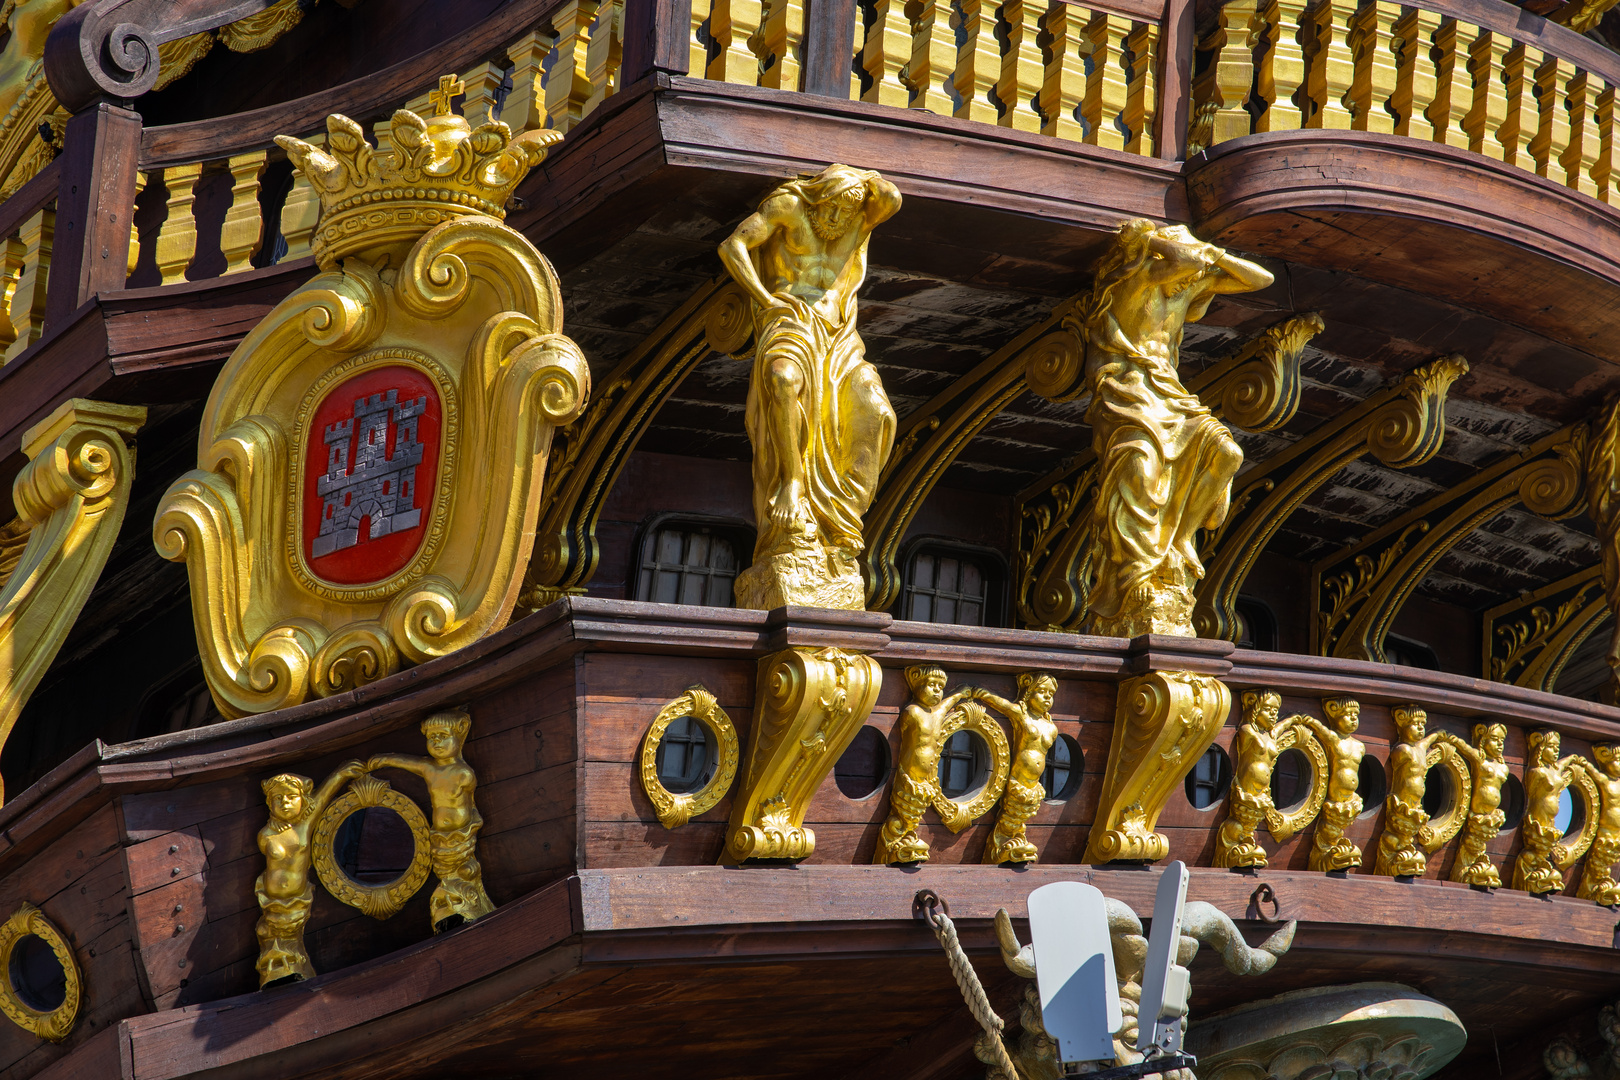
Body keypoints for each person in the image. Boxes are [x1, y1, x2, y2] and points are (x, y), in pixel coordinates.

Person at [717, 163, 901, 610]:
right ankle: (793, 484)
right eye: (835, 206)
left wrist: (862, 182)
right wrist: (764, 299)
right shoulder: (788, 206)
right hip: (789, 320)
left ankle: (841, 525)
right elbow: (733, 245)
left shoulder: (861, 216)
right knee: (783, 380)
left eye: (850, 209)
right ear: (821, 196)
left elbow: (891, 198)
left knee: (876, 413)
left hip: (838, 337)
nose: (838, 219)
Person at [1079, 220, 1273, 637]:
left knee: (1228, 454)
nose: (1196, 267)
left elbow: (1263, 279)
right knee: (1138, 471)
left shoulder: (1187, 285)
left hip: (1170, 395)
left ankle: (1180, 540)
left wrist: (1215, 255)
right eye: (1186, 253)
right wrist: (1158, 240)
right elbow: (1182, 260)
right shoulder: (1139, 278)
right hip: (1128, 390)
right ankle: (1133, 579)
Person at [367, 709, 495, 931]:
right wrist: (387, 759)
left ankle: (462, 901)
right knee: (446, 871)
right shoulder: (429, 768)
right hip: (439, 836)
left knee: (462, 869)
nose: (436, 742)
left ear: (459, 737)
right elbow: (409, 763)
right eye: (431, 738)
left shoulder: (463, 773)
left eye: (443, 736)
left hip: (460, 834)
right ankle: (450, 903)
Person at [255, 762, 364, 986]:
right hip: (271, 902)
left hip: (297, 900)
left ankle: (293, 969)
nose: (284, 803)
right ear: (270, 803)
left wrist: (340, 774)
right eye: (278, 798)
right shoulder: (266, 833)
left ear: (303, 800)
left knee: (292, 940)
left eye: (291, 797)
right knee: (272, 937)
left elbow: (323, 797)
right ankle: (278, 971)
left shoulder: (303, 826)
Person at [874, 665, 976, 864]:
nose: (937, 690)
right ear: (916, 687)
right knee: (902, 814)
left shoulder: (934, 715)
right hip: (909, 778)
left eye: (940, 686)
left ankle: (909, 836)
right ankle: (894, 843)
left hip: (925, 782)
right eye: (931, 685)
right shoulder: (912, 712)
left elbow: (945, 706)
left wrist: (958, 696)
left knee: (915, 814)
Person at [976, 673, 1059, 865]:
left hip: (1034, 785)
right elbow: (1004, 705)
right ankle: (1000, 847)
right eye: (1041, 691)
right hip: (1017, 781)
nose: (1047, 697)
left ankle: (1015, 841)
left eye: (1051, 693)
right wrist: (983, 694)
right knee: (1009, 817)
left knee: (1022, 818)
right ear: (1029, 694)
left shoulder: (1051, 727)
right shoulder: (1023, 715)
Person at [1373, 706, 1447, 877]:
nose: (1421, 727)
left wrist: (1437, 735)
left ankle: (1407, 848)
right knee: (1399, 833)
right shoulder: (1403, 750)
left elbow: (1425, 743)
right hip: (1402, 805)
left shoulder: (1419, 749)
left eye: (1423, 724)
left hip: (1415, 807)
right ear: (1402, 725)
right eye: (1415, 724)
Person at [1438, 723, 1509, 887]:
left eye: (1502, 740)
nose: (1499, 744)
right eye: (1494, 739)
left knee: (1478, 845)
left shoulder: (1503, 767)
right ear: (1483, 741)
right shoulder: (1480, 759)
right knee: (1471, 844)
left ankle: (1476, 865)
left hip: (1491, 818)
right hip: (1476, 817)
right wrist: (1452, 739)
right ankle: (1467, 870)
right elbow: (1465, 748)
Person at [1300, 697, 1366, 871]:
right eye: (1347, 714)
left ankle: (1337, 848)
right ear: (1335, 716)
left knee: (1339, 830)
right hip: (1334, 801)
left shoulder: (1359, 746)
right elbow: (1321, 731)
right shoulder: (1335, 739)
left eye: (1355, 715)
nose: (1353, 718)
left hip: (1350, 800)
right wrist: (1309, 721)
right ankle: (1326, 853)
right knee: (1329, 830)